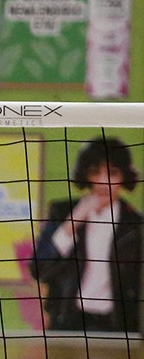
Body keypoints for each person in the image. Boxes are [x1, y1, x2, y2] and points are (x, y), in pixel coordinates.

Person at [29, 135, 143, 333]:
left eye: (112, 173)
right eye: (95, 172)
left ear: (124, 176)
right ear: (85, 174)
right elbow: (39, 270)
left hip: (118, 325)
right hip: (67, 322)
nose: (103, 181)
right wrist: (72, 222)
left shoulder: (135, 224)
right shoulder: (62, 211)